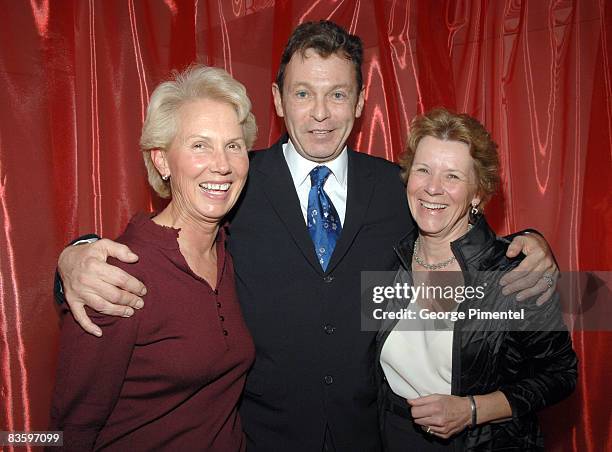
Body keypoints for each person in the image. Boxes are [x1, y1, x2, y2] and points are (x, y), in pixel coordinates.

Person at [55, 21, 559, 451]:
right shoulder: (235, 181)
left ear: (360, 102)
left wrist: (532, 244)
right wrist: (72, 261)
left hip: (369, 436)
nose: (320, 113)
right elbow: (169, 239)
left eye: (337, 94)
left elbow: (455, 221)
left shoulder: (396, 188)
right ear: (277, 99)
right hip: (261, 438)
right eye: (303, 93)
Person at [49, 65, 257, 451]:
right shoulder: (116, 277)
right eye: (199, 145)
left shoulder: (228, 250)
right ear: (162, 161)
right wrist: (71, 260)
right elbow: (68, 432)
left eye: (233, 145)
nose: (223, 164)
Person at [377, 108, 577, 451]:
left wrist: (472, 410)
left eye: (452, 176)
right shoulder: (389, 256)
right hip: (391, 437)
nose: (433, 188)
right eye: (423, 170)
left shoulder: (515, 275)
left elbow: (561, 375)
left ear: (477, 193)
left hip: (479, 442)